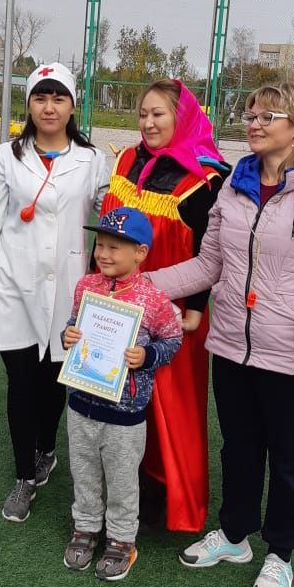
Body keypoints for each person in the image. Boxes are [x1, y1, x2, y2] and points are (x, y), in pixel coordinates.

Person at [148, 81, 294, 587]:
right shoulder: (234, 183)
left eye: (268, 116)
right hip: (230, 345)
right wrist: (142, 284)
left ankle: (281, 554)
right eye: (250, 114)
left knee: (290, 458)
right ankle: (234, 534)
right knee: (239, 447)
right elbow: (209, 264)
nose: (253, 123)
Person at [0, 62, 109, 524]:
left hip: (69, 287)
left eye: (59, 98)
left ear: (72, 106)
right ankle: (24, 476)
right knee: (21, 380)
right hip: (13, 285)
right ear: (28, 105)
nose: (50, 108)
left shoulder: (92, 160)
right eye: (40, 98)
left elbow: (110, 212)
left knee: (54, 381)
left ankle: (46, 449)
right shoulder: (7, 156)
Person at [99, 79, 230, 532]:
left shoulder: (205, 179)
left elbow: (209, 252)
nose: (149, 123)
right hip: (119, 302)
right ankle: (123, 486)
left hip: (175, 311)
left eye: (159, 114)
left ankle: (171, 495)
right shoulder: (125, 161)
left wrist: (196, 306)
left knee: (171, 403)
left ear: (182, 117)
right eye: (143, 114)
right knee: (118, 390)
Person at [62, 207, 182, 581]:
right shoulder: (86, 286)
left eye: (114, 247)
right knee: (83, 471)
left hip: (125, 412)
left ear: (140, 253)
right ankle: (86, 527)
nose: (103, 254)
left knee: (122, 479)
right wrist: (68, 335)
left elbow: (173, 340)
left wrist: (147, 356)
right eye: (100, 245)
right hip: (81, 402)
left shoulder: (154, 299)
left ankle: (121, 538)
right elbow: (74, 325)